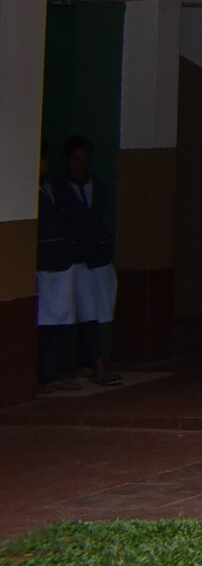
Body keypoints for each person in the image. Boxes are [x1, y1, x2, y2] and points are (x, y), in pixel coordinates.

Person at [36, 137, 120, 388]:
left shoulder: (99, 188)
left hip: (93, 258)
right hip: (66, 260)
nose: (79, 164)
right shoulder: (55, 188)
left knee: (88, 312)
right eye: (75, 159)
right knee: (63, 316)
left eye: (84, 159)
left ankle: (85, 364)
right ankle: (70, 370)